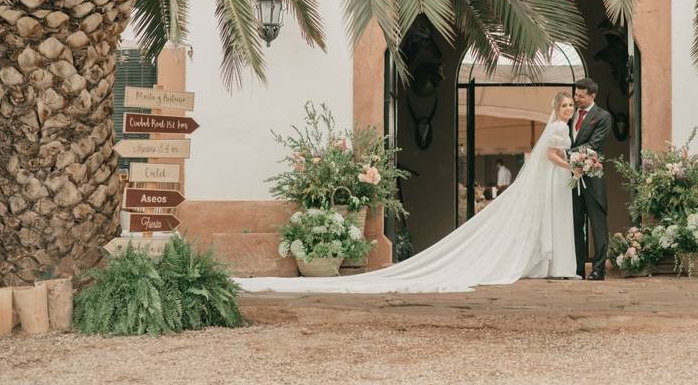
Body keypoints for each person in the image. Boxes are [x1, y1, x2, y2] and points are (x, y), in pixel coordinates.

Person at [237, 92, 580, 294]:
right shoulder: (556, 127)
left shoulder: (561, 126)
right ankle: (550, 263)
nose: (568, 110)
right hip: (555, 176)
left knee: (551, 218)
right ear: (557, 108)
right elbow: (552, 156)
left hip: (554, 180)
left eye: (570, 106)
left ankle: (553, 263)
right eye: (564, 106)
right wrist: (574, 167)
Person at [569, 78, 613, 280]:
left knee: (597, 224)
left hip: (593, 177)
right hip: (571, 179)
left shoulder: (603, 116)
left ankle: (598, 269)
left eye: (581, 96)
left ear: (592, 96)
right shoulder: (570, 114)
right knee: (575, 223)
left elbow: (593, 145)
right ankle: (578, 269)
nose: (576, 99)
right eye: (576, 95)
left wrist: (562, 152)